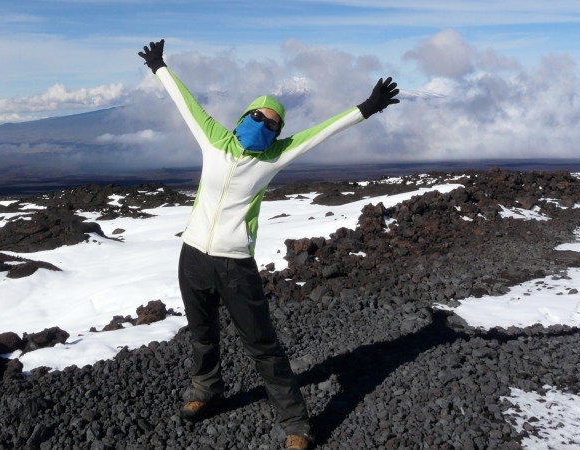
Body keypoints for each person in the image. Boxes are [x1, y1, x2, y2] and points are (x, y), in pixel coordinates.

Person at [139, 39, 399, 450]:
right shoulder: (213, 140)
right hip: (191, 257)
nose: (264, 124)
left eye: (273, 122)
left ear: (278, 132)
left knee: (262, 346)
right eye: (258, 115)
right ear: (244, 115)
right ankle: (205, 391)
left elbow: (322, 132)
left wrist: (367, 108)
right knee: (202, 334)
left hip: (234, 264)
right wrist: (159, 66)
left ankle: (296, 424)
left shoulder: (276, 155)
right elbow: (185, 102)